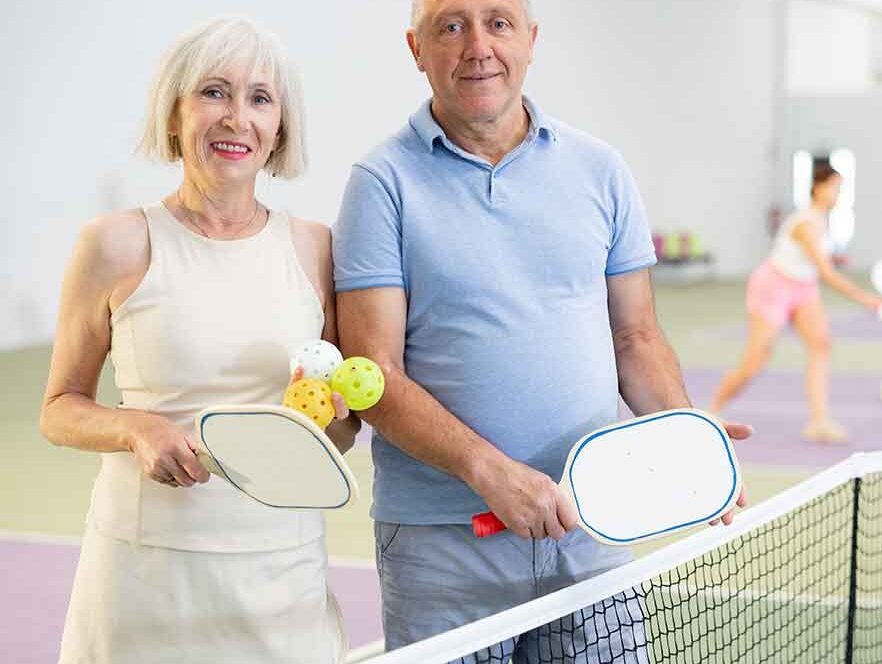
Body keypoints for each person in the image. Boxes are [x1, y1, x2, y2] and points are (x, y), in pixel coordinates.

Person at [332, 0, 750, 659]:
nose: (478, 45)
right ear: (416, 49)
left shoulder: (601, 168)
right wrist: (491, 473)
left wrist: (684, 437)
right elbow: (373, 374)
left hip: (591, 529)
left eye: (498, 22)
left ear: (530, 39)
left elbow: (635, 338)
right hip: (442, 545)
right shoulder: (380, 184)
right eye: (451, 25)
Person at [40, 16, 357, 664]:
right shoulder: (114, 243)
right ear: (175, 115)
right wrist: (136, 428)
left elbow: (338, 434)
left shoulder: (315, 248)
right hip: (144, 581)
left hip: (281, 577)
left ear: (279, 131)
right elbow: (58, 409)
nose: (237, 117)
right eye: (214, 92)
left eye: (259, 99)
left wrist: (336, 417)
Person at [709, 163, 882, 443]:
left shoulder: (822, 219)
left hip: (803, 287)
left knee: (820, 345)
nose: (836, 193)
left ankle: (818, 421)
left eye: (840, 187)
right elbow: (826, 273)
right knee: (754, 361)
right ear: (817, 187)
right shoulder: (805, 223)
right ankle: (711, 412)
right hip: (773, 285)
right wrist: (868, 299)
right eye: (832, 186)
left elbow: (815, 265)